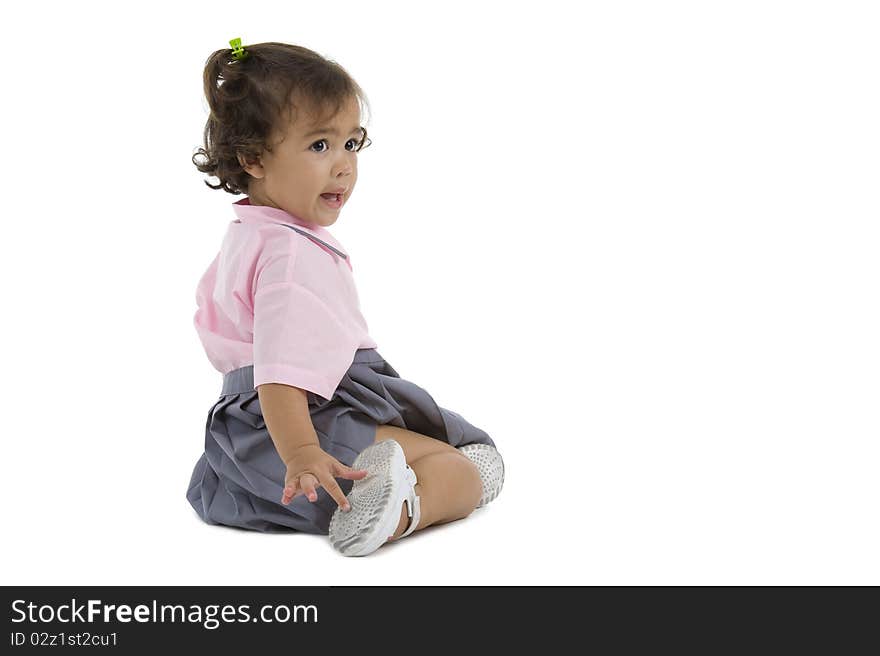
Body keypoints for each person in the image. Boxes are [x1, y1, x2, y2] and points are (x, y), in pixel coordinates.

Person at [186, 39, 505, 557]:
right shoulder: (291, 254)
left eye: (351, 144)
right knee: (461, 471)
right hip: (302, 414)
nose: (343, 166)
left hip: (248, 425)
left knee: (448, 450)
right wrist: (304, 452)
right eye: (319, 146)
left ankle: (386, 480)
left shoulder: (250, 232)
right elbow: (281, 374)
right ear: (253, 158)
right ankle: (393, 513)